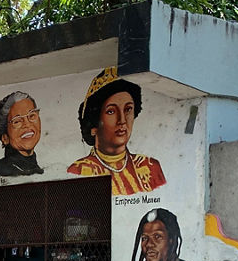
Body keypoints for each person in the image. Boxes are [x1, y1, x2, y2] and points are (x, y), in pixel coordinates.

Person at [67, 67, 166, 195]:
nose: (122, 120)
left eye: (128, 109)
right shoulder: (81, 170)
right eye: (111, 111)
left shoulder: (150, 167)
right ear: (94, 125)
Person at [0, 91, 45, 176]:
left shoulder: (35, 169)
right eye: (17, 121)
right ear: (5, 138)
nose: (27, 124)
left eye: (32, 116)